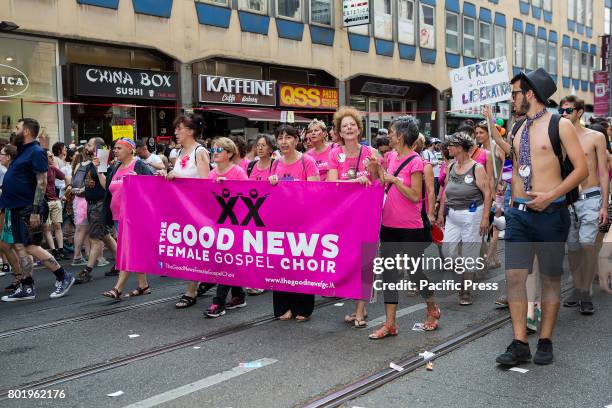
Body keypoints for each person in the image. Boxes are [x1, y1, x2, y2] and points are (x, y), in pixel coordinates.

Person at [490, 68, 587, 366]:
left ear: (530, 93)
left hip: (552, 213)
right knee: (515, 277)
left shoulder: (561, 125)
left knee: (549, 279)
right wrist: (490, 125)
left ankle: (545, 340)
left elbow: (582, 169)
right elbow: (517, 158)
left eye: (515, 94)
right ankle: (520, 343)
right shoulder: (518, 127)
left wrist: (550, 195)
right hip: (518, 214)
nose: (512, 99)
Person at [367, 116, 441, 339]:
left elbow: (415, 196)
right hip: (387, 224)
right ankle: (390, 324)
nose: (388, 135)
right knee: (389, 274)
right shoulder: (389, 156)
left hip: (410, 227)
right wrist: (374, 169)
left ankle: (432, 309)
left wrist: (396, 180)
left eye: (391, 132)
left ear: (400, 136)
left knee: (415, 273)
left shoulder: (416, 161)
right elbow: (381, 182)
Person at [0, 118, 75, 301]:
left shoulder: (36, 151)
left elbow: (41, 182)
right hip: (17, 207)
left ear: (26, 131)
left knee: (31, 245)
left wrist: (34, 210)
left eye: (17, 128)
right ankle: (27, 286)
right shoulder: (21, 152)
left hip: (29, 208)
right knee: (20, 246)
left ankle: (63, 276)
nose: (15, 130)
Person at [327, 107, 379, 328]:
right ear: (339, 131)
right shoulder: (334, 154)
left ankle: (359, 310)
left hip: (367, 215)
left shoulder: (371, 153)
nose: (348, 128)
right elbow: (331, 184)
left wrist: (375, 168)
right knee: (348, 260)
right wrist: (354, 182)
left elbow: (378, 183)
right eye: (344, 126)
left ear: (359, 129)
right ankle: (361, 304)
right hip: (344, 217)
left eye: (352, 125)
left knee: (365, 260)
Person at [558, 95, 609, 315]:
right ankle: (578, 288)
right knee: (574, 249)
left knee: (588, 245)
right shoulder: (559, 138)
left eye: (568, 111)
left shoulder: (596, 137)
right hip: (568, 200)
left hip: (590, 197)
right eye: (561, 111)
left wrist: (604, 206)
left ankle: (585, 292)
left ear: (579, 112)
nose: (564, 115)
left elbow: (604, 174)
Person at [159, 114, 212, 309]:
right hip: (182, 209)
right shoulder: (179, 153)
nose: (176, 132)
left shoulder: (200, 151)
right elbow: (179, 176)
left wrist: (178, 178)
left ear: (190, 131)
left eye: (179, 128)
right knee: (193, 250)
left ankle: (191, 291)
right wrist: (167, 174)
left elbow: (206, 184)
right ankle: (210, 278)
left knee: (196, 251)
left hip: (197, 210)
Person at [269, 124, 320, 321]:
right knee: (282, 264)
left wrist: (297, 187)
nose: (284, 141)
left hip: (303, 221)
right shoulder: (275, 163)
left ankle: (303, 307)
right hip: (281, 221)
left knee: (301, 264)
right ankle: (284, 306)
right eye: (280, 137)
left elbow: (316, 190)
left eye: (288, 137)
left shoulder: (307, 161)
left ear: (296, 140)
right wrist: (272, 183)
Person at [437, 133, 491, 305]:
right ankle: (469, 268)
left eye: (451, 145)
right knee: (448, 251)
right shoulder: (451, 166)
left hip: (472, 215)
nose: (448, 148)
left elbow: (487, 193)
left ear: (460, 148)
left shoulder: (477, 168)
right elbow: (446, 190)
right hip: (452, 215)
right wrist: (440, 213)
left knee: (469, 253)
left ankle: (465, 290)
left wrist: (485, 218)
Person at [102, 138, 154, 300]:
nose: (115, 151)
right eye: (114, 148)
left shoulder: (138, 165)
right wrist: (99, 169)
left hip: (134, 216)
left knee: (127, 251)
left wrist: (139, 179)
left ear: (130, 150)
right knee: (133, 251)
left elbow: (153, 186)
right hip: (118, 216)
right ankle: (143, 285)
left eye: (118, 148)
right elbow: (108, 189)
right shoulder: (116, 167)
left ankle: (118, 288)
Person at [205, 137, 249, 318]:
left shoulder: (237, 172)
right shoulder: (211, 174)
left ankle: (218, 302)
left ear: (229, 154)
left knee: (226, 262)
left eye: (219, 150)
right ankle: (238, 295)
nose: (214, 153)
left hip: (235, 224)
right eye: (213, 149)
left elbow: (249, 197)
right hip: (218, 224)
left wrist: (228, 188)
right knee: (227, 262)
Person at [73, 138, 117, 284]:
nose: (87, 146)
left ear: (97, 147)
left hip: (99, 205)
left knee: (95, 238)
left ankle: (88, 270)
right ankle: (121, 263)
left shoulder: (102, 159)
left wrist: (99, 166)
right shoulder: (94, 160)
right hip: (92, 204)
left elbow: (104, 183)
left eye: (90, 144)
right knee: (105, 236)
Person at [0, 144, 22, 291]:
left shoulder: (12, 172)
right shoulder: (8, 171)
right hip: (8, 210)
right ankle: (20, 277)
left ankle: (23, 278)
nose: (0, 156)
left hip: (10, 210)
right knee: (8, 245)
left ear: (8, 156)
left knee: (18, 246)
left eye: (1, 154)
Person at [42, 149, 67, 260]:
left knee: (57, 226)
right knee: (46, 228)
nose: (52, 158)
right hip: (44, 202)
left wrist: (67, 191)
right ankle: (53, 251)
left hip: (55, 201)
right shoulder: (37, 170)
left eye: (52, 156)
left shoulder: (52, 169)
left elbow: (66, 177)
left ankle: (61, 250)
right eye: (50, 156)